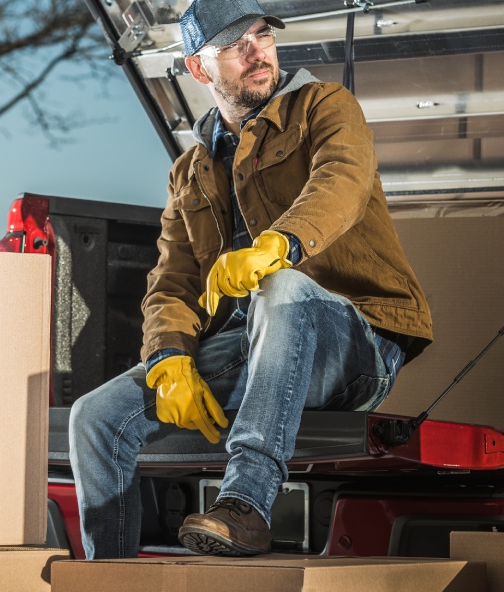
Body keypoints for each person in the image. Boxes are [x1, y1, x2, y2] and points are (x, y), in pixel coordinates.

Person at [68, 0, 433, 559]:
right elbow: (172, 281)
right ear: (197, 67)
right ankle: (107, 584)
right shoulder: (190, 172)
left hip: (355, 343)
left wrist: (276, 247)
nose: (256, 52)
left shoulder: (325, 106)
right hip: (250, 347)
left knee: (280, 288)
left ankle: (246, 505)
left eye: (261, 35)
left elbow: (343, 180)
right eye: (234, 45)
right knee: (94, 417)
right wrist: (168, 357)